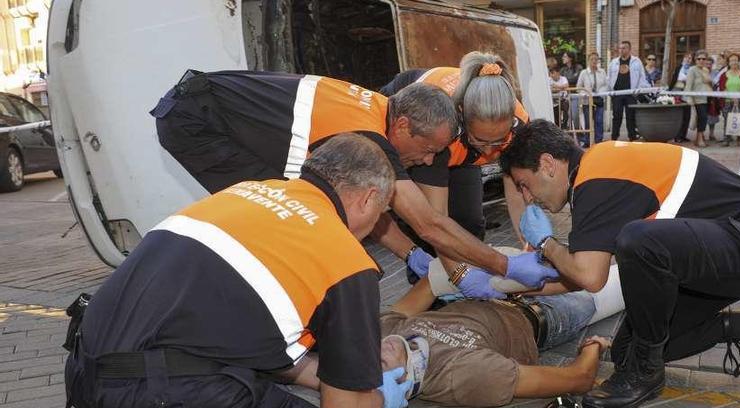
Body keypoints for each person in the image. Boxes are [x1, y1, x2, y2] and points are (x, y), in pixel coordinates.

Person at [63, 135, 410, 408]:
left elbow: (247, 338)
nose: (374, 232)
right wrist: (384, 396)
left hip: (84, 374)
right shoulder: (345, 259)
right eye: (381, 216)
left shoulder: (243, 193)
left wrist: (334, 375)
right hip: (162, 404)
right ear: (368, 199)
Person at [154, 70, 553, 300]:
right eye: (428, 150)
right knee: (282, 213)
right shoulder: (366, 136)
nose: (430, 161)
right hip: (197, 120)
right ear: (402, 127)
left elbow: (388, 206)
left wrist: (411, 253)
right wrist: (503, 264)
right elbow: (430, 221)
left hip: (213, 111)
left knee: (311, 204)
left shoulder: (382, 112)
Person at [501, 120, 740, 408]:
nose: (527, 198)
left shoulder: (595, 179)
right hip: (732, 249)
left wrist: (546, 243)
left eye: (524, 185)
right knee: (626, 352)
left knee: (639, 242)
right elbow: (580, 275)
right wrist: (507, 284)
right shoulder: (596, 172)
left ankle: (644, 376)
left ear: (548, 164)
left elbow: (589, 277)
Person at [302, 277, 615, 408]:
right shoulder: (462, 376)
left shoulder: (386, 336)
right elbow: (578, 379)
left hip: (492, 287)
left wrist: (461, 269)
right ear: (402, 383)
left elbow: (430, 283)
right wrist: (593, 348)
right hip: (543, 314)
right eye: (382, 362)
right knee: (605, 280)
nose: (379, 349)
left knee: (588, 258)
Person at [377, 52, 535, 248]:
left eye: (498, 141)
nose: (487, 152)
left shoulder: (520, 128)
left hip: (459, 142)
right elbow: (435, 222)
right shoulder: (440, 134)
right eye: (480, 140)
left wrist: (530, 246)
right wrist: (479, 268)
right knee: (427, 235)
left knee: (470, 223)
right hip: (417, 126)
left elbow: (517, 191)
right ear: (462, 116)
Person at [607, 41, 650, 141]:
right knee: (616, 116)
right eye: (620, 48)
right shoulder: (614, 62)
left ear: (629, 49)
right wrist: (611, 91)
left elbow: (641, 77)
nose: (621, 50)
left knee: (631, 116)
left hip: (631, 94)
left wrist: (637, 91)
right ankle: (614, 138)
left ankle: (632, 137)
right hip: (617, 94)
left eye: (624, 48)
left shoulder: (636, 61)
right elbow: (608, 78)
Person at [717, 52, 740, 146]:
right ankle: (726, 139)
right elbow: (723, 88)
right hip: (727, 101)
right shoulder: (724, 75)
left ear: (738, 62)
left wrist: (738, 98)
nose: (734, 62)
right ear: (728, 62)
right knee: (727, 120)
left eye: (736, 60)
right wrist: (732, 98)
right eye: (732, 60)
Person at [576, 52, 608, 145]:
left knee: (599, 121)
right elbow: (579, 87)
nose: (594, 61)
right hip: (587, 100)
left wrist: (601, 92)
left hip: (599, 99)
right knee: (588, 121)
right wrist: (585, 93)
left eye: (596, 59)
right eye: (592, 59)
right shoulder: (584, 73)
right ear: (588, 61)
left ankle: (599, 141)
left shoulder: (602, 72)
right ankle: (587, 141)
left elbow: (606, 85)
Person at [685, 50, 712, 148]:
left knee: (703, 119)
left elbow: (709, 83)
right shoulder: (692, 70)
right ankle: (700, 139)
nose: (701, 60)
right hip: (696, 99)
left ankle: (699, 138)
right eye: (699, 59)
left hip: (706, 98)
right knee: (702, 118)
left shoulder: (706, 70)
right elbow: (688, 85)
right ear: (695, 60)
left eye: (703, 59)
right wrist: (689, 99)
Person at [670, 52, 693, 143]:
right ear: (683, 58)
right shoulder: (678, 68)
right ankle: (677, 136)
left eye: (690, 58)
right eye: (687, 57)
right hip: (677, 93)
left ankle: (683, 135)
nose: (688, 59)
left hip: (687, 93)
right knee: (679, 115)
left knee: (687, 115)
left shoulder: (692, 69)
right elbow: (674, 79)